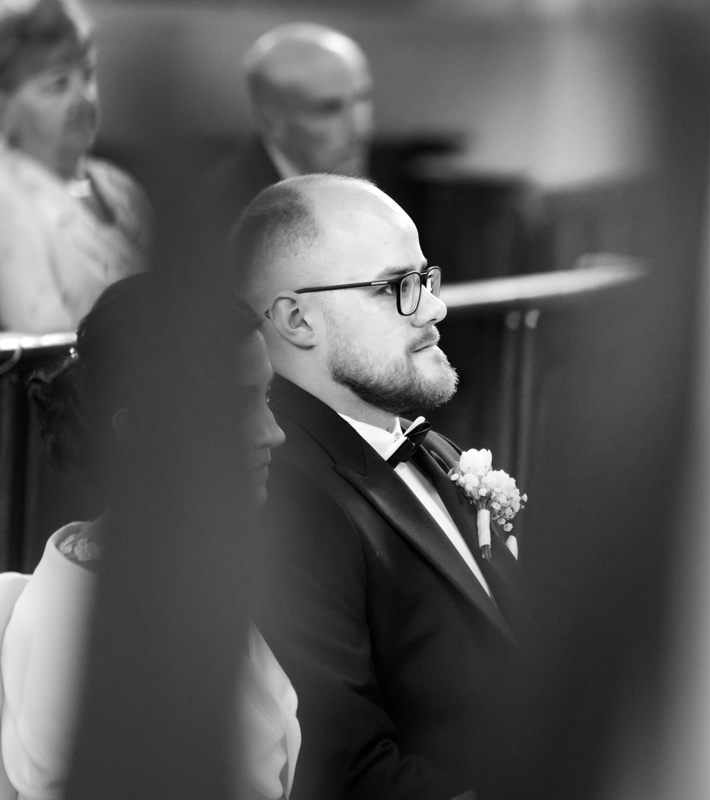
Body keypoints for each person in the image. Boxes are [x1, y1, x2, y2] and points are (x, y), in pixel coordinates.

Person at [232, 175, 531, 800]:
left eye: (426, 279)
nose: (434, 309)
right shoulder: (282, 494)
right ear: (297, 319)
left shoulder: (410, 438)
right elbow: (348, 770)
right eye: (398, 287)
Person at [0, 275, 298, 800]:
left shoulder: (154, 576)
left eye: (266, 395)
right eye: (236, 405)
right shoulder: (121, 642)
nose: (273, 431)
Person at [0, 0, 149, 334]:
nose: (84, 99)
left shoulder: (119, 185)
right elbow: (43, 341)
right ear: (3, 105)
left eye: (88, 74)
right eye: (58, 83)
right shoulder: (6, 199)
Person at [206, 23, 372, 233]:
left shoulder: (392, 183)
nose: (360, 127)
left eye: (362, 98)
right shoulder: (224, 214)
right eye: (329, 109)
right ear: (270, 122)